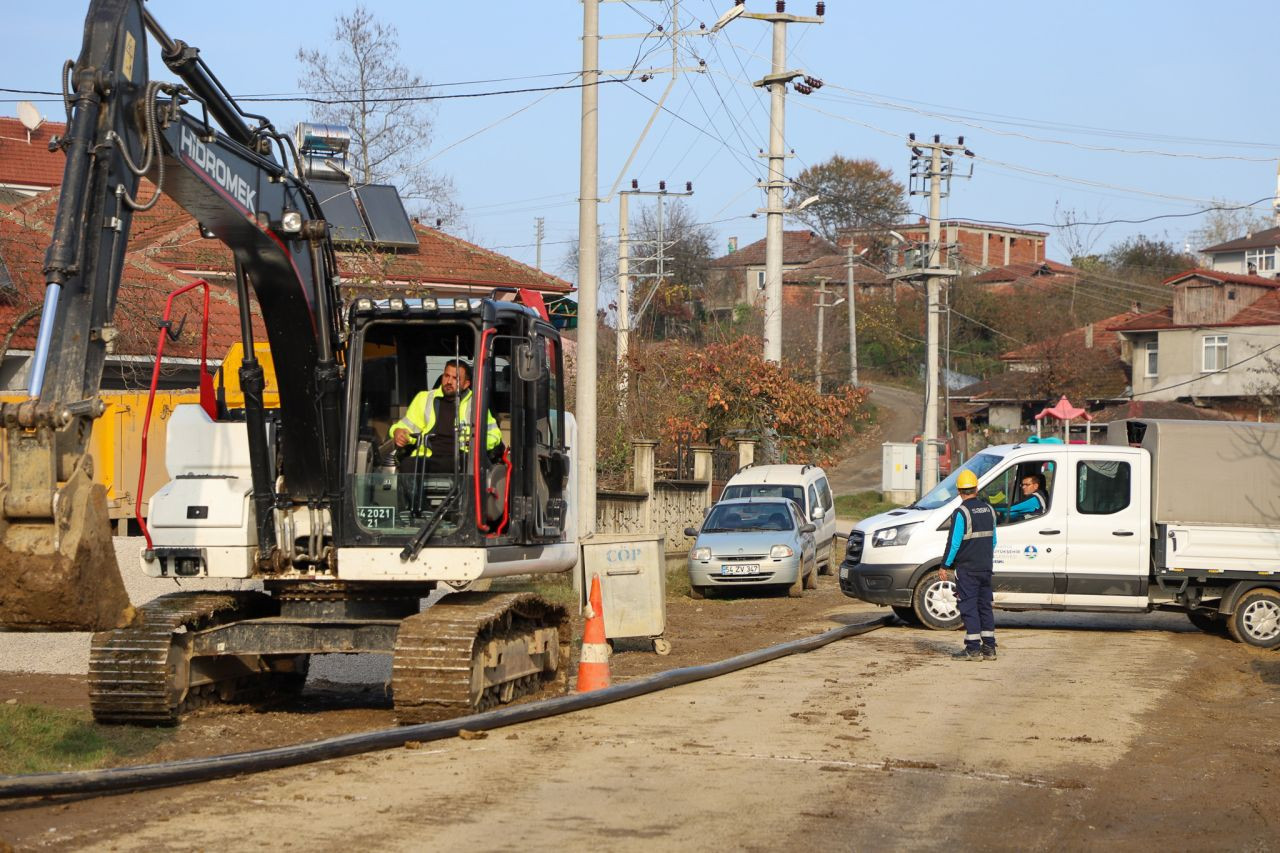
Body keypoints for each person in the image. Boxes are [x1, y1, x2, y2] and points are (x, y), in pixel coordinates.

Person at [391, 360, 502, 475]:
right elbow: (406, 427)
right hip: (427, 458)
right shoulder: (423, 398)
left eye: (455, 378)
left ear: (466, 384)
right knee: (407, 465)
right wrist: (398, 432)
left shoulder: (476, 404)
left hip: (461, 459)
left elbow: (494, 434)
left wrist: (475, 443)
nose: (449, 381)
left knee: (472, 466)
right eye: (446, 376)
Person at [940, 469, 998, 661]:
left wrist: (945, 565)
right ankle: (989, 648)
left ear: (959, 491)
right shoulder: (989, 510)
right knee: (984, 606)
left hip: (967, 569)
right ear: (977, 488)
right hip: (986, 567)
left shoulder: (961, 513)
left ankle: (973, 649)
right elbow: (994, 541)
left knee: (969, 607)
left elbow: (955, 543)